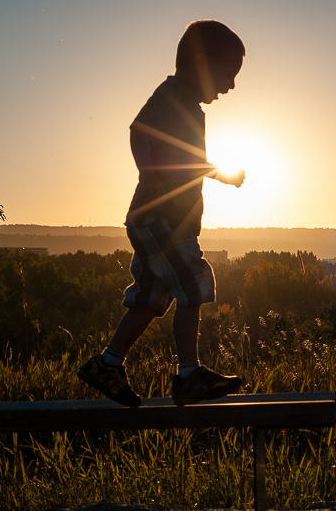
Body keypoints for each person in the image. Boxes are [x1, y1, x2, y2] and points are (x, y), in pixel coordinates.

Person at [77, 20, 246, 407]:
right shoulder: (173, 96)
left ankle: (107, 364)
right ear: (201, 63)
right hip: (161, 220)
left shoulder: (186, 104)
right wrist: (151, 174)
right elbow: (139, 130)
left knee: (151, 298)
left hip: (161, 220)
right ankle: (189, 376)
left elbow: (189, 162)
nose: (231, 85)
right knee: (194, 283)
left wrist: (220, 174)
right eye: (227, 74)